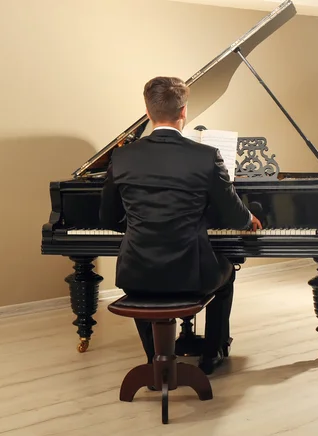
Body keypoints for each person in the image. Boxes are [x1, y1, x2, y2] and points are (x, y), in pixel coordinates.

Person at [99, 76, 262, 375]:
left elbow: (107, 219)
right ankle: (212, 355)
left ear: (148, 112)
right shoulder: (206, 156)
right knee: (227, 273)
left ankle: (154, 360)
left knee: (145, 286)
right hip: (191, 275)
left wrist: (143, 229)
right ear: (184, 111)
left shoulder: (121, 157)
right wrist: (248, 218)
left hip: (136, 272)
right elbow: (233, 214)